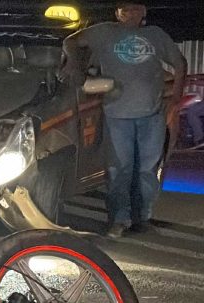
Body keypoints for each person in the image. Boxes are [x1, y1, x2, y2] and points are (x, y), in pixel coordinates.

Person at [61, 0, 186, 238]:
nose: (131, 13)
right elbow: (70, 42)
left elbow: (179, 64)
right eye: (125, 9)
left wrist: (176, 100)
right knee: (119, 170)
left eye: (136, 8)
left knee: (148, 171)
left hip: (152, 115)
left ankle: (143, 218)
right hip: (117, 115)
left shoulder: (155, 35)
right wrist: (75, 67)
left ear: (144, 12)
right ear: (117, 13)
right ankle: (119, 220)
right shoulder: (104, 32)